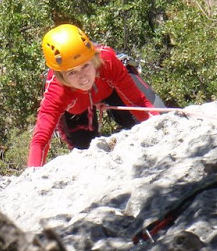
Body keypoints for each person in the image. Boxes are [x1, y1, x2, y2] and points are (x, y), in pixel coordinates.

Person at [27, 24, 158, 167]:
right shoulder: (57, 89)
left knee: (148, 116)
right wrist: (33, 174)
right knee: (84, 150)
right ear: (60, 75)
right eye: (72, 72)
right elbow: (40, 140)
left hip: (109, 88)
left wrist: (159, 128)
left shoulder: (107, 61)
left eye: (85, 66)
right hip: (77, 107)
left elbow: (139, 102)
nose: (83, 77)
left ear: (93, 59)